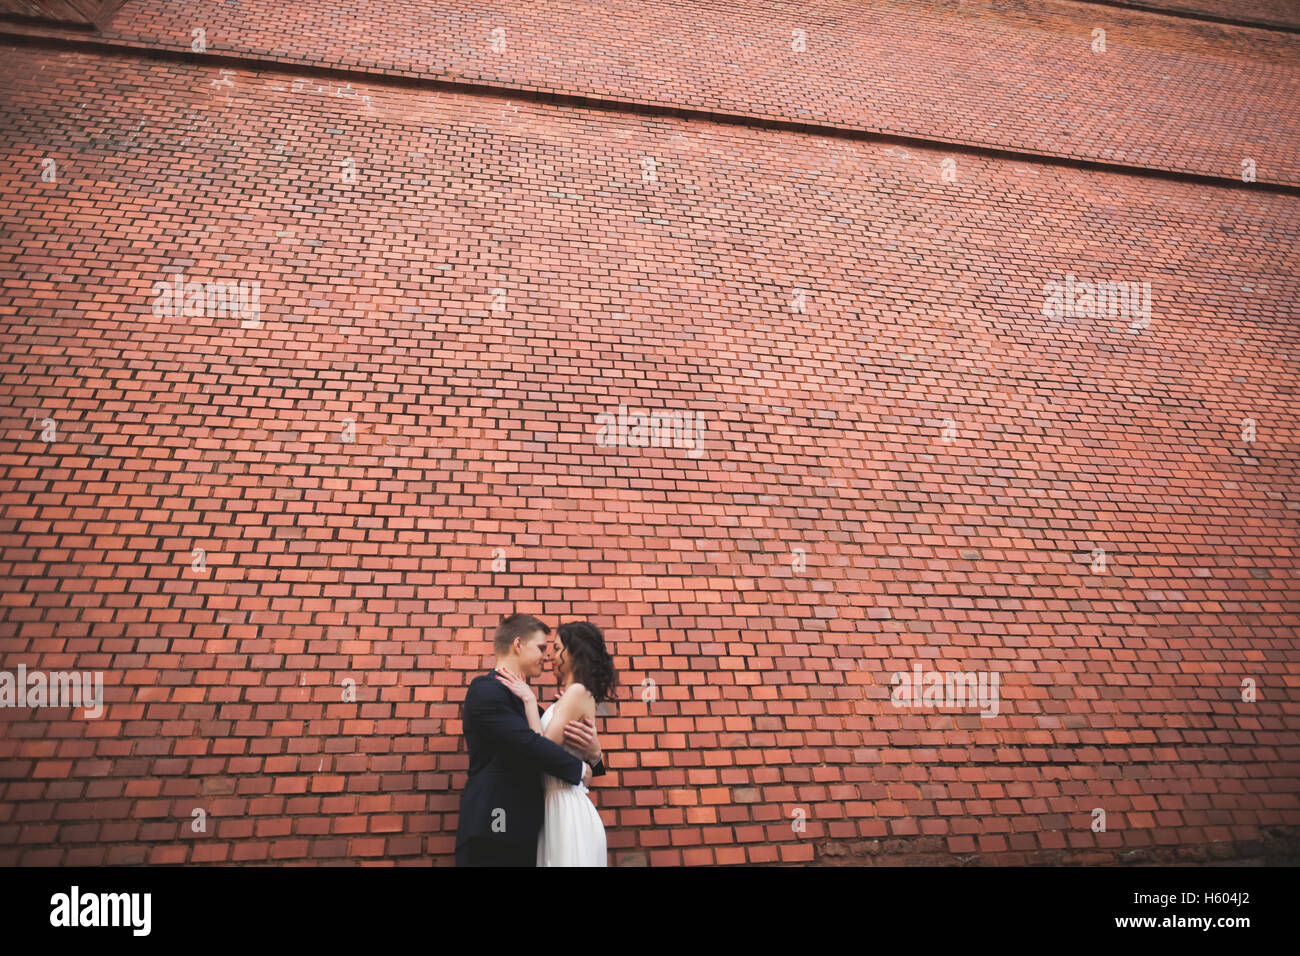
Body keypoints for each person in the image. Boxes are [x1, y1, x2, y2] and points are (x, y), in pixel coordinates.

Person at [454, 614, 606, 866]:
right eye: (541, 648)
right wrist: (581, 770)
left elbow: (559, 745)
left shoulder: (534, 708)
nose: (546, 657)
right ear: (518, 645)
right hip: (493, 830)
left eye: (552, 649)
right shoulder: (486, 690)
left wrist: (595, 757)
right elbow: (531, 746)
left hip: (528, 833)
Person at [496, 620, 619, 866]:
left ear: (574, 653)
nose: (550, 656)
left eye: (557, 648)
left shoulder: (577, 693)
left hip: (567, 809)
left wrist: (530, 701)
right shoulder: (568, 698)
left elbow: (542, 751)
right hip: (554, 806)